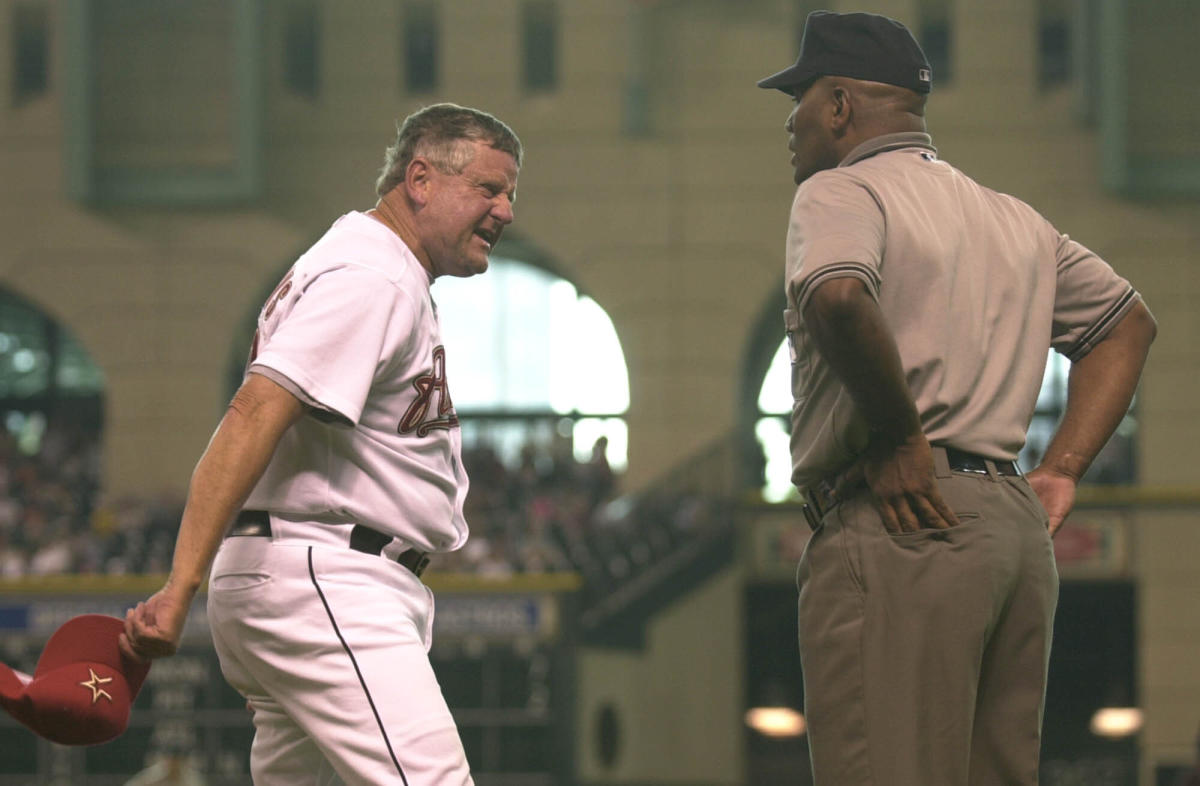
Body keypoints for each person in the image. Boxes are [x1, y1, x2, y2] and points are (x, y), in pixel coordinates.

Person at [758, 11, 1156, 786]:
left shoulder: (841, 190)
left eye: (800, 97)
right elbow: (1127, 325)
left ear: (840, 106)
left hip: (902, 518)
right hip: (1010, 526)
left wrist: (901, 435)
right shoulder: (1014, 219)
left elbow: (837, 297)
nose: (790, 119)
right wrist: (1065, 466)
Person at [119, 103, 522, 785]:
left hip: (311, 574)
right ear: (419, 179)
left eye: (511, 193)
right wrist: (178, 585)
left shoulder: (376, 266)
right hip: (325, 576)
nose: (506, 211)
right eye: (488, 188)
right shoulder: (373, 275)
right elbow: (251, 414)